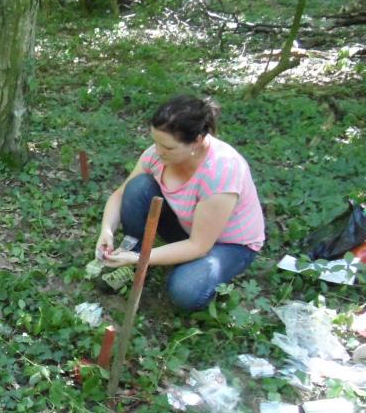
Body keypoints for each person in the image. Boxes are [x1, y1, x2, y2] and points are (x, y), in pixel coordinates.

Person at [95, 95, 265, 311]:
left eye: (168, 147)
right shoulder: (157, 155)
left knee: (185, 290)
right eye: (155, 141)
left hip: (228, 244)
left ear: (197, 141)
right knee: (138, 187)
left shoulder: (221, 173)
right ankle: (133, 258)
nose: (157, 150)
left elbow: (199, 245)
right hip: (189, 226)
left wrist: (140, 258)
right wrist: (107, 231)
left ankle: (190, 272)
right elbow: (120, 195)